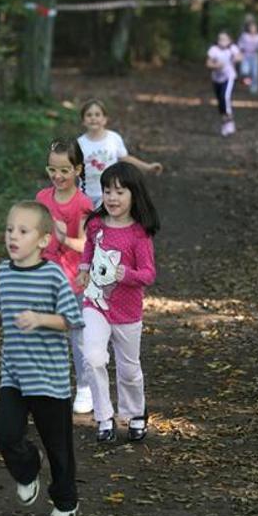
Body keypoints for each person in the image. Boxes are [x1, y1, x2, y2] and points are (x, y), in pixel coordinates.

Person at [0, 201, 84, 516]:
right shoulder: (4, 271)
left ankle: (65, 501)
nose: (13, 236)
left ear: (43, 240)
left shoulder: (52, 275)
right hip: (14, 374)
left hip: (49, 378)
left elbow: (72, 319)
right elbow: (0, 307)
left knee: (58, 448)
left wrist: (41, 319)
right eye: (9, 229)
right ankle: (27, 469)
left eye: (23, 231)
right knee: (5, 434)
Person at [77, 162, 159, 443]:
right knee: (93, 358)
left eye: (120, 192)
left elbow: (149, 274)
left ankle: (135, 413)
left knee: (129, 369)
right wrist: (84, 268)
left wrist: (128, 275)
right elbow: (89, 246)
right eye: (107, 191)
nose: (112, 198)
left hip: (127, 312)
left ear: (134, 195)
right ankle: (103, 417)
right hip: (96, 303)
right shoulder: (97, 224)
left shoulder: (139, 234)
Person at [36, 138, 94, 415]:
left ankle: (84, 387)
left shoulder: (82, 203)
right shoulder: (42, 198)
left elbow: (85, 246)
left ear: (78, 170)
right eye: (52, 170)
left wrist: (62, 238)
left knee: (77, 335)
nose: (57, 176)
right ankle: (47, 386)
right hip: (43, 276)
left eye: (64, 170)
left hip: (72, 279)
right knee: (45, 332)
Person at [77, 98, 163, 207]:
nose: (93, 118)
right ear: (83, 121)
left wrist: (147, 167)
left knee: (105, 217)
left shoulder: (113, 138)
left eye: (97, 115)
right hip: (85, 194)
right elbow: (72, 168)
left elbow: (125, 158)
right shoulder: (79, 143)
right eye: (89, 115)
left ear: (105, 119)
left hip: (110, 195)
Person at [206, 31, 242, 137]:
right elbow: (208, 63)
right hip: (216, 79)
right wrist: (216, 65)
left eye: (225, 39)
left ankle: (229, 121)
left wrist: (235, 58)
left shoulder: (232, 49)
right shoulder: (214, 50)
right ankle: (226, 123)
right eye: (220, 39)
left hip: (229, 77)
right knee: (220, 101)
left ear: (229, 40)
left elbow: (240, 57)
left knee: (225, 97)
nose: (222, 41)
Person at [238, 20, 258, 94]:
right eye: (251, 27)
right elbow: (240, 44)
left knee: (255, 73)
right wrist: (241, 52)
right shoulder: (244, 35)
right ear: (248, 28)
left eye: (254, 27)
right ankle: (247, 83)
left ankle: (254, 88)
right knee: (244, 71)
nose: (253, 29)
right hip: (245, 56)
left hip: (254, 56)